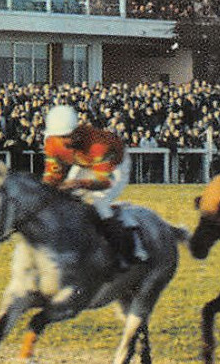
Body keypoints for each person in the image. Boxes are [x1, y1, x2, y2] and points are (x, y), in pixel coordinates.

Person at [42, 103, 144, 267]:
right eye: (59, 137)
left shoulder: (99, 145)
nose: (63, 142)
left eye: (66, 136)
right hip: (84, 164)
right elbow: (53, 176)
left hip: (116, 166)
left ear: (75, 131)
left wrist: (77, 183)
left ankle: (126, 251)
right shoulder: (52, 142)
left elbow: (104, 182)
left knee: (99, 203)